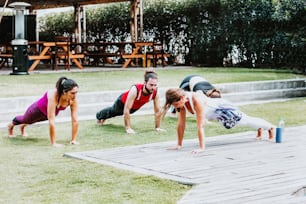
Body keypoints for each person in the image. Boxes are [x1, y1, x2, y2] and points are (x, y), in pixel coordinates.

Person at [162, 88, 275, 154]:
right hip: (216, 115)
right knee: (237, 124)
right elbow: (181, 125)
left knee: (244, 121)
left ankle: (270, 128)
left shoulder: (196, 99)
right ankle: (260, 129)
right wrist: (179, 145)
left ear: (181, 98)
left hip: (222, 108)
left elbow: (200, 125)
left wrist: (201, 148)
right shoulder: (181, 103)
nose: (176, 107)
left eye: (176, 104)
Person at [7, 77, 79, 147]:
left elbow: (75, 120)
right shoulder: (53, 95)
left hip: (47, 113)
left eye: (76, 92)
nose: (75, 96)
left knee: (31, 121)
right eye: (72, 93)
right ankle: (10, 126)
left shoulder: (73, 100)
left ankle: (22, 126)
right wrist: (53, 143)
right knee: (25, 120)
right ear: (64, 92)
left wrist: (73, 140)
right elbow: (51, 122)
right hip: (36, 110)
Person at [96, 70, 164, 134]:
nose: (153, 88)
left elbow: (157, 111)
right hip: (121, 103)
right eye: (151, 85)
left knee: (118, 113)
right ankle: (99, 115)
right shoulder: (135, 89)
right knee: (113, 112)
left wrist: (157, 128)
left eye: (155, 85)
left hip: (134, 108)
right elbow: (127, 109)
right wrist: (128, 128)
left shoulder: (155, 93)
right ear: (145, 83)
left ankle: (102, 117)